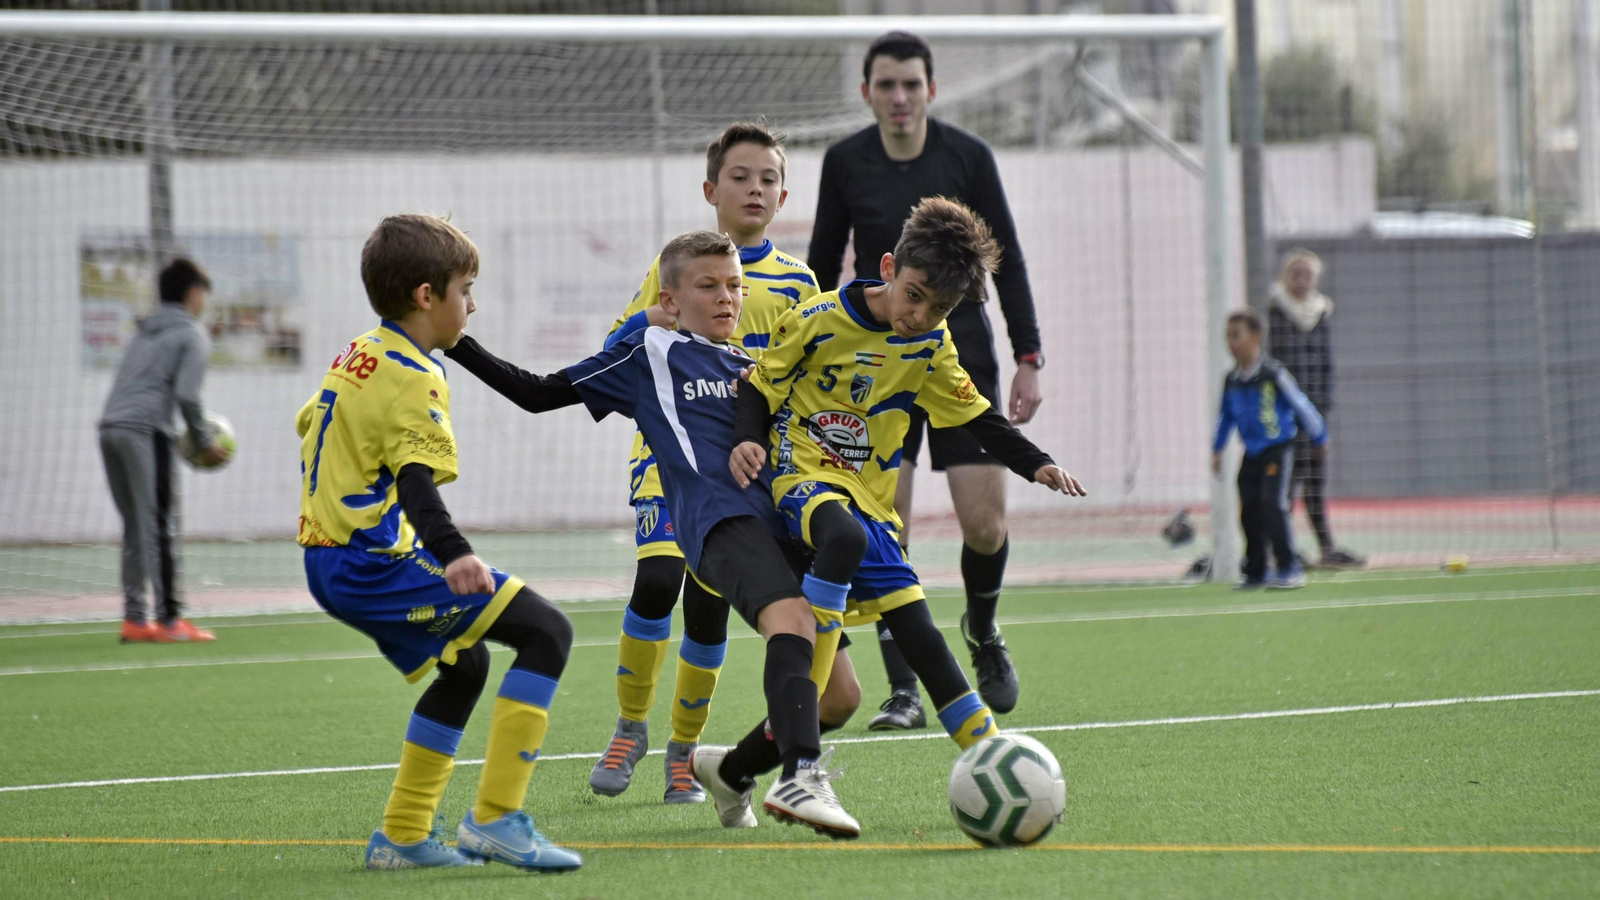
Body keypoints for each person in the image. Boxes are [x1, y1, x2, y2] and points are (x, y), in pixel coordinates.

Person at [444, 230, 862, 839]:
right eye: (709, 286)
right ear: (669, 300)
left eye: (735, 287)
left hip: (784, 524)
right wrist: (456, 343)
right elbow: (536, 393)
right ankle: (800, 773)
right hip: (718, 523)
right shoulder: (648, 354)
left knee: (839, 698)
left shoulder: (756, 366)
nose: (727, 299)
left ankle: (732, 771)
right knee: (792, 622)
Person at [714, 198, 1085, 797]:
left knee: (919, 630)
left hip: (867, 498)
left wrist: (1035, 463)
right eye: (915, 295)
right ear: (888, 268)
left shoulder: (932, 346)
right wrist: (747, 443)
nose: (921, 314)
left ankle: (989, 753)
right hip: (800, 474)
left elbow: (978, 419)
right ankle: (802, 761)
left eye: (939, 307)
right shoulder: (818, 318)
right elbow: (758, 386)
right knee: (843, 535)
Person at [296, 214, 580, 872]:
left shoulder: (360, 351)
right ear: (428, 296)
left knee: (468, 662)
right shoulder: (415, 376)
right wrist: (454, 553)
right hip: (367, 563)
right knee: (548, 632)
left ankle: (401, 837)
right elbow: (417, 484)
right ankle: (497, 820)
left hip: (329, 557)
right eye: (466, 289)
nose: (472, 304)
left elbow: (310, 417)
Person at [808, 30, 1045, 728]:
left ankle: (982, 630)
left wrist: (1028, 356)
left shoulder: (968, 157)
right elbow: (823, 265)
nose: (900, 97)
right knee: (887, 532)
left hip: (958, 360)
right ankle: (904, 690)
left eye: (912, 84)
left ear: (931, 90)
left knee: (985, 526)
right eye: (887, 85)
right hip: (869, 374)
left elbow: (1012, 264)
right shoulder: (844, 161)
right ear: (867, 93)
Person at [589, 122, 823, 805]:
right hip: (669, 459)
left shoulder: (796, 282)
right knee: (658, 577)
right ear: (710, 189)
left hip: (743, 473)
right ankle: (631, 724)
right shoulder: (675, 271)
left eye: (768, 178)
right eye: (741, 176)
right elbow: (621, 349)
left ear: (784, 195)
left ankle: (684, 754)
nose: (755, 188)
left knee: (709, 608)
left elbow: (806, 377)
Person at [99, 257, 228, 644]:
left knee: (137, 527)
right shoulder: (192, 334)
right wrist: (204, 442)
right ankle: (170, 620)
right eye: (203, 294)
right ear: (193, 294)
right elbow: (187, 395)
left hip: (110, 428)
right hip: (145, 430)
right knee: (158, 525)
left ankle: (135, 619)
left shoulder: (146, 331)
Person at [1212, 309, 1328, 590]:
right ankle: (1256, 571)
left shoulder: (1273, 375)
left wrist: (1319, 434)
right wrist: (1217, 448)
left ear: (1255, 337)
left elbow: (1299, 404)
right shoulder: (1232, 380)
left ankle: (1289, 567)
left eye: (1236, 335)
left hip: (1277, 449)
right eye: (1228, 337)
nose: (1231, 343)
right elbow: (1225, 416)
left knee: (1273, 505)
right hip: (1250, 453)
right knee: (1249, 509)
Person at [1267, 250, 1364, 568]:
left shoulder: (1321, 313)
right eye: (1295, 273)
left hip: (1314, 416)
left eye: (1307, 274)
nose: (1301, 280)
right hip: (1284, 417)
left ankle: (1327, 547)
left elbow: (1325, 365)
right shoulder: (1276, 311)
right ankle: (1282, 549)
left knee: (1314, 483)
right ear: (1285, 276)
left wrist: (1320, 415)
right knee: (1285, 484)